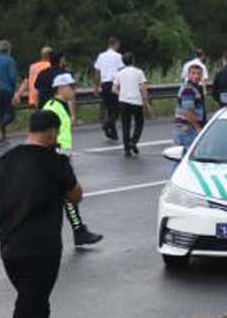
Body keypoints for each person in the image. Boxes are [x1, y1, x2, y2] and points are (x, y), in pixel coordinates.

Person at [0, 109, 81, 318]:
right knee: (27, 312)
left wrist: (8, 233)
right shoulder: (56, 162)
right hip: (42, 251)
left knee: (35, 307)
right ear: (51, 132)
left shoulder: (0, 164)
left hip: (10, 250)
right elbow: (76, 196)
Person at [42, 73, 103, 248]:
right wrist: (56, 152)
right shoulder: (52, 107)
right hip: (56, 157)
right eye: (71, 86)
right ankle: (78, 231)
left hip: (62, 156)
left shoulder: (62, 105)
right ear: (61, 88)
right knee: (66, 196)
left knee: (65, 197)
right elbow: (45, 133)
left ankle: (78, 231)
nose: (74, 90)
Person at [114, 52, 150, 157]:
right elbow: (143, 88)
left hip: (123, 102)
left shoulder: (120, 73)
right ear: (133, 60)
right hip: (136, 101)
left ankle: (126, 149)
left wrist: (122, 93)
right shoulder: (139, 72)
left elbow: (114, 88)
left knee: (126, 125)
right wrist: (146, 102)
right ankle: (133, 141)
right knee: (139, 122)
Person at [93, 37, 124, 142]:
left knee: (110, 109)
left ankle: (113, 134)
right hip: (115, 84)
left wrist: (96, 87)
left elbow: (97, 72)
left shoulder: (101, 56)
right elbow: (121, 71)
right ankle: (107, 124)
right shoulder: (118, 56)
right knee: (117, 109)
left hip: (105, 85)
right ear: (115, 44)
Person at [174, 63, 207, 153]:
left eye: (199, 73)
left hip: (187, 128)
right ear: (188, 75)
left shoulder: (194, 88)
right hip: (188, 129)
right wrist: (198, 128)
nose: (196, 76)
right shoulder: (188, 89)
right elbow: (188, 112)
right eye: (193, 73)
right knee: (186, 158)